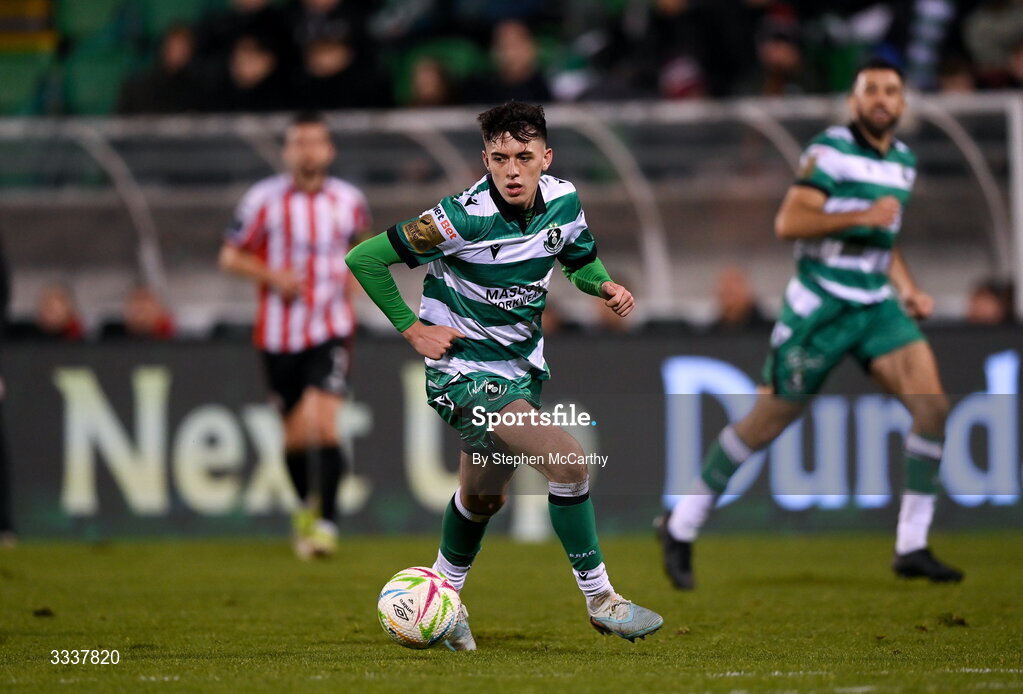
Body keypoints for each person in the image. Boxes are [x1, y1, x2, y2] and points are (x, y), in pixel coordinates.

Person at [346, 102, 663, 650]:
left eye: (523, 156)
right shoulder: (457, 218)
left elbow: (577, 258)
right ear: (485, 160)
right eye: (499, 158)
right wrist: (411, 329)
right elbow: (364, 258)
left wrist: (604, 286)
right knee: (567, 461)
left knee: (483, 498)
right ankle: (602, 599)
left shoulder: (563, 200)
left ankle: (441, 598)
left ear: (546, 157)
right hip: (462, 372)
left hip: (519, 368)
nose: (512, 170)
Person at [661, 59, 964, 589]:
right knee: (765, 423)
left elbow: (883, 241)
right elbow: (790, 221)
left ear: (902, 104)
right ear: (854, 101)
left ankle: (911, 545)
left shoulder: (904, 162)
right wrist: (858, 216)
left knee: (932, 407)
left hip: (875, 306)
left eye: (891, 91)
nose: (881, 99)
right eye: (870, 89)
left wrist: (908, 288)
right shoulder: (830, 151)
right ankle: (681, 523)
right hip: (820, 306)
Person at [219, 111, 371, 559]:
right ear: (287, 151)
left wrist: (359, 295)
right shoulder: (263, 199)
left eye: (315, 141)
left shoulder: (349, 200)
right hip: (278, 335)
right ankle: (305, 505)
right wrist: (272, 276)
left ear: (329, 149)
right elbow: (230, 256)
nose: (307, 150)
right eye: (298, 142)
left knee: (323, 423)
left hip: (330, 328)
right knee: (294, 437)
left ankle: (326, 525)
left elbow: (362, 251)